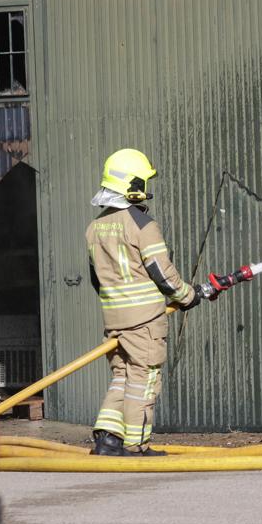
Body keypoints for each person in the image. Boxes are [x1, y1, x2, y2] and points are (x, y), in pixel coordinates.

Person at [86, 148, 210, 457]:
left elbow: (96, 279)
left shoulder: (95, 227)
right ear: (132, 185)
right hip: (145, 322)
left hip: (114, 320)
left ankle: (108, 439)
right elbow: (161, 272)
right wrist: (187, 295)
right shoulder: (141, 224)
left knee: (122, 377)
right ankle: (136, 445)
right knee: (145, 380)